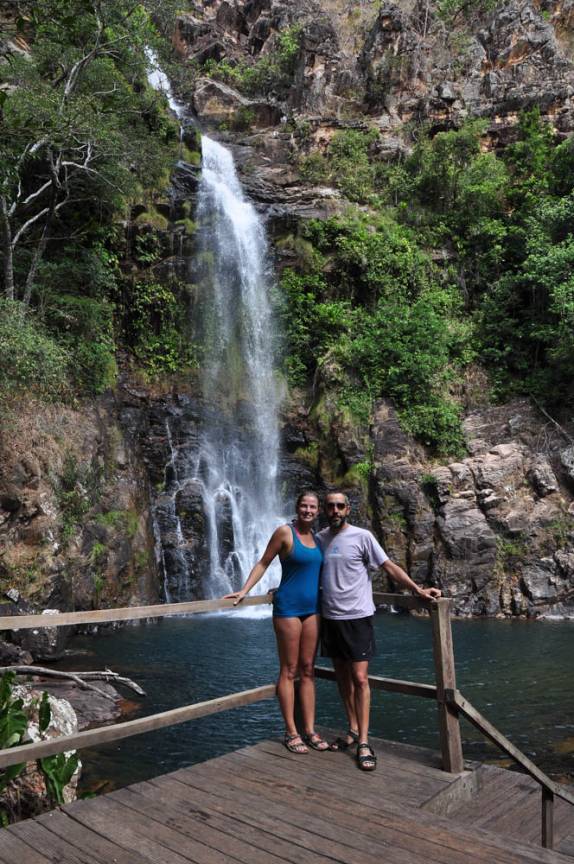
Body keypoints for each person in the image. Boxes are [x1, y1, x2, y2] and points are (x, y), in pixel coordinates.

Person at [317, 490, 441, 772]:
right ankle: (352, 729)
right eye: (330, 506)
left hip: (358, 617)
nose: (335, 510)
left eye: (340, 506)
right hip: (331, 617)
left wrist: (417, 590)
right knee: (342, 678)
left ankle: (364, 741)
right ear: (325, 509)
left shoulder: (362, 537)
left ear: (348, 509)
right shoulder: (320, 539)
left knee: (360, 679)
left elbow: (388, 566)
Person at [224, 491, 329, 754]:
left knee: (308, 669)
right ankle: (291, 731)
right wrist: (245, 590)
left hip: (313, 609)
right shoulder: (285, 532)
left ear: (318, 511)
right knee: (289, 669)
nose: (308, 510)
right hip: (288, 608)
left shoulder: (318, 539)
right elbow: (263, 562)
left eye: (312, 507)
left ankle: (310, 730)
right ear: (297, 507)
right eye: (304, 506)